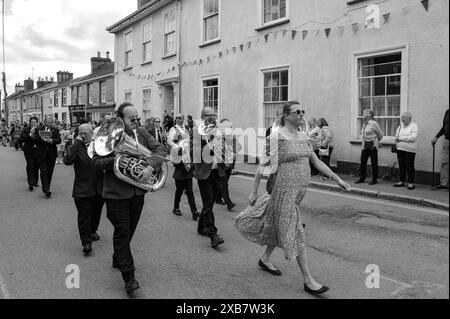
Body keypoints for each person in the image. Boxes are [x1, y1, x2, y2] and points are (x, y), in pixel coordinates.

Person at [235, 101, 351, 295]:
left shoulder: (304, 136)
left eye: (303, 111)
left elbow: (315, 161)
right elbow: (263, 164)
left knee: (277, 224)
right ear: (286, 116)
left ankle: (265, 259)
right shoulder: (277, 136)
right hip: (283, 193)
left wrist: (336, 178)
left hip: (297, 194)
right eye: (297, 112)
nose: (301, 114)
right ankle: (308, 280)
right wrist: (254, 191)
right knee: (294, 230)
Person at [92, 102, 166, 294]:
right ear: (120, 119)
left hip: (137, 194)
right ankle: (129, 277)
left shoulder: (141, 132)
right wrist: (117, 157)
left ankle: (119, 257)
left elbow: (161, 151)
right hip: (116, 195)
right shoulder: (106, 134)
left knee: (129, 232)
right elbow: (96, 163)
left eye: (137, 118)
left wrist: (150, 167)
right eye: (132, 119)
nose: (136, 121)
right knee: (122, 232)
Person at [64, 124, 104, 255]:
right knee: (83, 216)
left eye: (86, 133)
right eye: (80, 133)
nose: (83, 135)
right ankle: (86, 242)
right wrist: (76, 143)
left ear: (92, 133)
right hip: (82, 188)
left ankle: (92, 230)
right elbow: (67, 160)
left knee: (96, 213)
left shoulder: (100, 145)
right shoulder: (76, 146)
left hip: (98, 187)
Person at [192, 107, 225, 249]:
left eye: (214, 115)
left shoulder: (219, 131)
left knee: (209, 204)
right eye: (209, 115)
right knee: (208, 203)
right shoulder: (195, 132)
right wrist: (208, 146)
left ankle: (201, 227)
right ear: (202, 117)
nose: (212, 117)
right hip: (204, 172)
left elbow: (228, 147)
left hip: (217, 172)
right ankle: (213, 235)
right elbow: (193, 152)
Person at [168, 114, 199, 220]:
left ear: (183, 119)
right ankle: (175, 207)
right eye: (177, 117)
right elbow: (170, 142)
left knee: (189, 191)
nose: (178, 119)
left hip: (188, 160)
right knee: (179, 190)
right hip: (179, 160)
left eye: (180, 117)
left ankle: (194, 212)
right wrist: (177, 148)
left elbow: (190, 142)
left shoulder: (187, 128)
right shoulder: (173, 129)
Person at [215, 119, 242, 211]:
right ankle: (228, 202)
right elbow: (217, 151)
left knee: (223, 182)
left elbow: (237, 146)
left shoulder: (232, 136)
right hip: (221, 164)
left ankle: (218, 198)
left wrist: (234, 152)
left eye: (230, 126)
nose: (229, 128)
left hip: (230, 163)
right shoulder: (218, 137)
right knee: (224, 183)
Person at [34, 119, 61, 198]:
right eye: (47, 122)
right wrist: (41, 137)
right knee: (43, 171)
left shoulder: (55, 130)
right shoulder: (38, 129)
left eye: (50, 122)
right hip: (41, 154)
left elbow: (59, 140)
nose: (49, 124)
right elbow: (35, 140)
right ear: (44, 122)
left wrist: (52, 140)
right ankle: (46, 189)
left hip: (51, 154)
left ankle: (47, 186)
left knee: (49, 172)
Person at [355, 110, 384, 185]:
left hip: (372, 146)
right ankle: (362, 178)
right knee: (363, 162)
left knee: (374, 163)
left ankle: (374, 179)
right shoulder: (364, 124)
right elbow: (363, 134)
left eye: (365, 114)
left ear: (370, 115)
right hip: (364, 146)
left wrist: (375, 141)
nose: (363, 115)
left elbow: (380, 135)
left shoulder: (374, 124)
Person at [393, 112, 418, 190]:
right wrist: (398, 140)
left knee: (409, 166)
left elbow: (413, 138)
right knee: (401, 165)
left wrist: (401, 138)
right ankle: (401, 181)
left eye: (403, 117)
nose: (402, 119)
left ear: (409, 119)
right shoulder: (400, 126)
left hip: (410, 150)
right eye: (401, 117)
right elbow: (396, 136)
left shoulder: (414, 126)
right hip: (400, 149)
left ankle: (410, 182)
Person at [18, 117, 40, 191]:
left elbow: (41, 139)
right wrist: (30, 134)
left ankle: (35, 181)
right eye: (32, 122)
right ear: (30, 123)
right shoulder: (26, 129)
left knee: (36, 165)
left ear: (37, 123)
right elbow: (21, 138)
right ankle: (31, 183)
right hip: (28, 150)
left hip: (37, 150)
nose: (33, 123)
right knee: (30, 165)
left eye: (35, 122)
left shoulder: (39, 130)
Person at [432, 108, 449, 190]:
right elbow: (444, 127)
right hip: (447, 141)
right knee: (444, 163)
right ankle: (444, 184)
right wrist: (436, 137)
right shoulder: (447, 112)